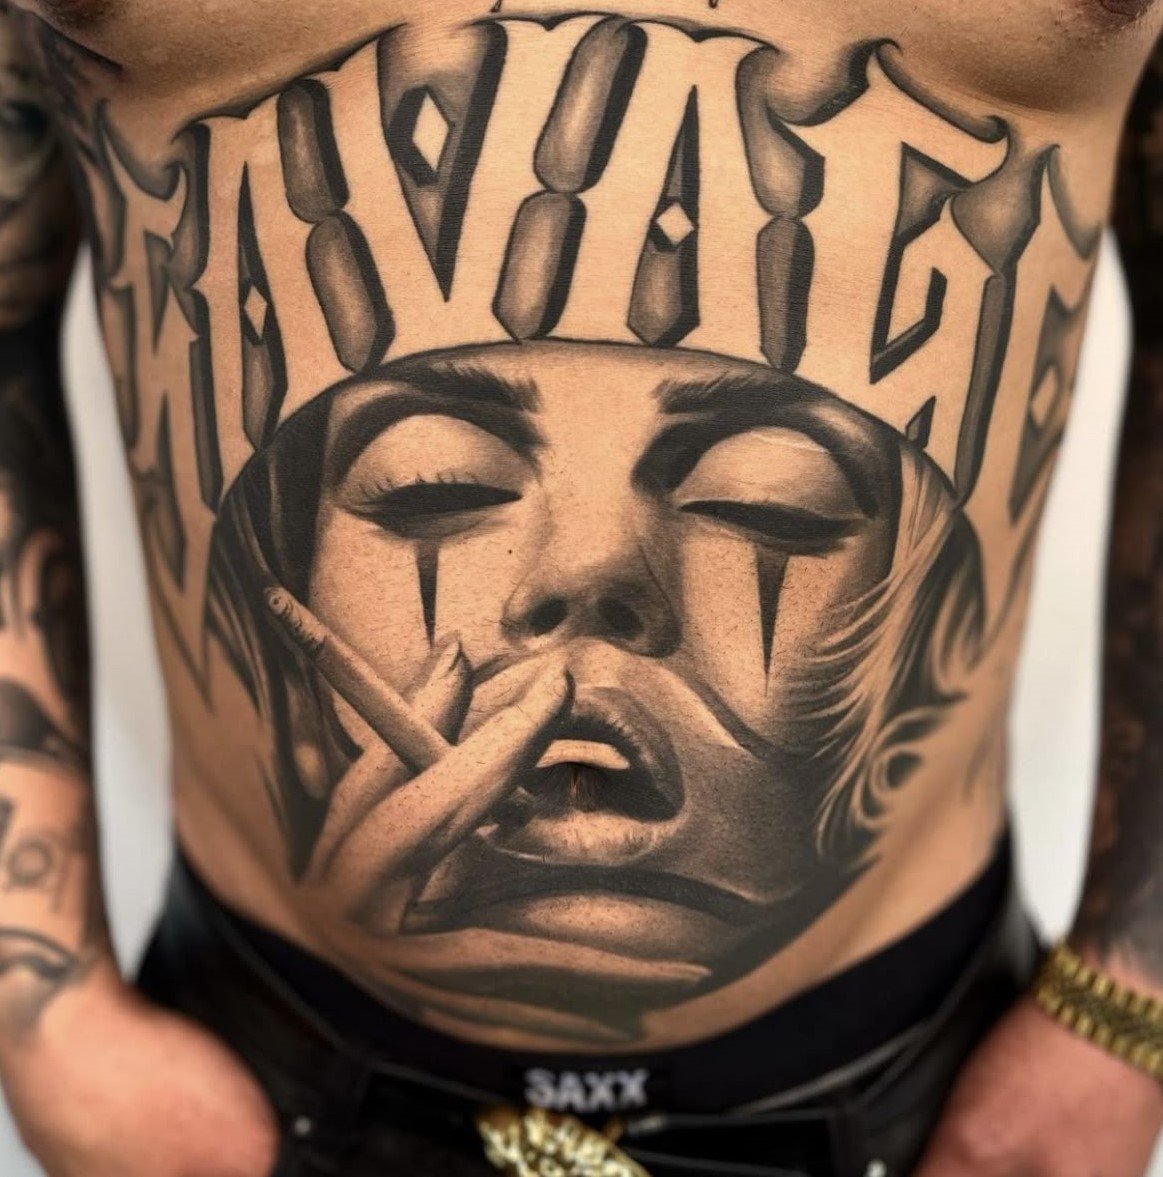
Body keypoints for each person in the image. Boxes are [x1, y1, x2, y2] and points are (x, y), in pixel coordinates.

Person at [0, 1, 1160, 1174]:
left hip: (937, 1107)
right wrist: (43, 1011)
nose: (591, 573)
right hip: (244, 1090)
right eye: (433, 483)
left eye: (768, 501)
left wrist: (1126, 1009)